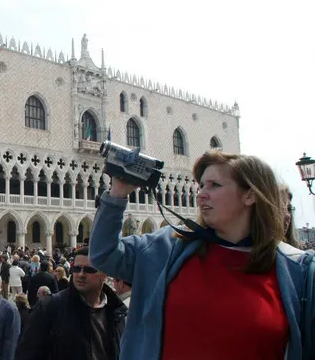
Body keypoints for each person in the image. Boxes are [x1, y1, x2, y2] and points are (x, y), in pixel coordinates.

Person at [90, 150, 314, 360]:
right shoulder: (168, 247)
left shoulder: (297, 271)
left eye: (214, 185)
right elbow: (104, 254)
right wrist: (118, 192)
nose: (201, 195)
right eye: (201, 186)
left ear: (250, 195)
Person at [16, 247, 127, 360]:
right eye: (77, 269)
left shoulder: (116, 311)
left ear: (104, 274)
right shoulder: (50, 308)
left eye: (89, 269)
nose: (81, 274)